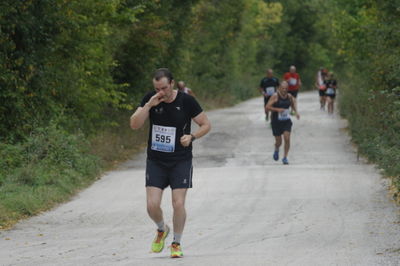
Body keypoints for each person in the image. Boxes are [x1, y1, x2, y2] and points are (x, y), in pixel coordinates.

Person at [130, 68, 211, 258]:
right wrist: (148, 105)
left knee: (178, 203)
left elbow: (206, 124)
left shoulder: (186, 101)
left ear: (172, 84)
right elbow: (134, 124)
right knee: (151, 205)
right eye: (157, 88)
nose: (161, 92)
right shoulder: (150, 99)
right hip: (156, 160)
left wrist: (192, 136)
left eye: (164, 88)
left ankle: (176, 242)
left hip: (180, 160)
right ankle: (161, 229)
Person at [266, 80, 300, 165]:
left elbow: (293, 103)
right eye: (283, 88)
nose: (284, 90)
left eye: (286, 88)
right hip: (276, 121)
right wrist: (277, 110)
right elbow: (267, 107)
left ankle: (285, 157)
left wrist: (296, 112)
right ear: (279, 88)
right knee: (279, 142)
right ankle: (276, 149)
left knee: (287, 138)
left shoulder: (289, 96)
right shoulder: (275, 96)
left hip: (286, 121)